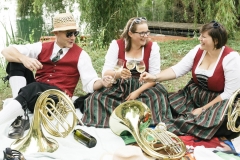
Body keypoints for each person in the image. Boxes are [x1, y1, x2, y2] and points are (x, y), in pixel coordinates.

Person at [0, 13, 111, 137]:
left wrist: (102, 81)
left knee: (35, 87)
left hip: (58, 99)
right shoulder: (42, 47)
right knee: (15, 62)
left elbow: (90, 83)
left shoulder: (81, 55)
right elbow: (6, 51)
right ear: (56, 33)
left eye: (75, 33)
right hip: (36, 93)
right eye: (69, 34)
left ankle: (17, 111)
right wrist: (24, 59)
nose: (73, 37)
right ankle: (21, 111)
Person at [140, 21, 240, 140]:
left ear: (216, 40)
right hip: (194, 96)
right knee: (160, 99)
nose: (199, 39)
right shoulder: (198, 50)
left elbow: (229, 94)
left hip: (219, 102)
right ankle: (179, 122)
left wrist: (203, 109)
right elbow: (178, 69)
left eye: (203, 37)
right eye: (200, 35)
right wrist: (154, 77)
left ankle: (169, 126)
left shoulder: (231, 58)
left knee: (217, 120)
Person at [81, 17, 169, 128]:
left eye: (147, 32)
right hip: (120, 85)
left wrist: (137, 92)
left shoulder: (152, 47)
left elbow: (154, 77)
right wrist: (118, 74)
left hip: (144, 86)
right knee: (97, 98)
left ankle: (141, 123)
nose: (146, 36)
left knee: (158, 97)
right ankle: (116, 122)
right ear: (131, 33)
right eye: (142, 33)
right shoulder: (116, 45)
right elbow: (106, 73)